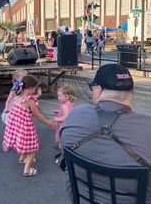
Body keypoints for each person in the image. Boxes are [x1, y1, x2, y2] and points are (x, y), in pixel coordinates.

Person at [60, 64, 151, 203]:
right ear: (131, 93)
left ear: (98, 90)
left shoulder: (75, 115)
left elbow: (64, 161)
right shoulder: (147, 127)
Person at [2, 75, 56, 177]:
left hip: (17, 126)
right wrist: (50, 123)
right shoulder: (30, 100)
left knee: (25, 145)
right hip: (26, 128)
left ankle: (22, 158)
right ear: (31, 88)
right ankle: (27, 170)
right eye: (35, 88)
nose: (35, 91)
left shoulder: (17, 95)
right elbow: (38, 116)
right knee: (33, 149)